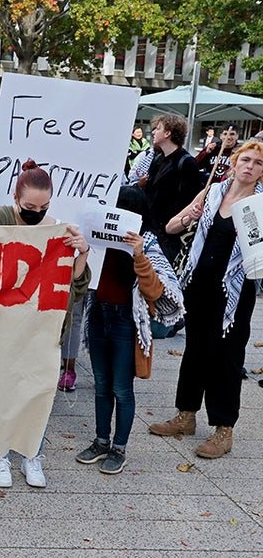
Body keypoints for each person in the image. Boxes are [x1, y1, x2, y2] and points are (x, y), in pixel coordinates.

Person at [0, 160, 91, 488]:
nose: (36, 212)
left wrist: (81, 254)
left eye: (44, 207)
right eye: (29, 207)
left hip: (42, 329)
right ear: (15, 198)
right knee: (2, 388)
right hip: (3, 324)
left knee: (37, 392)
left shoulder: (60, 232)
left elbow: (75, 288)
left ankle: (31, 454)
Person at [148, 141, 263, 459]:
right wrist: (191, 217)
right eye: (246, 159)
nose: (250, 166)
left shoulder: (260, 205)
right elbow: (170, 227)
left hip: (235, 294)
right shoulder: (213, 192)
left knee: (227, 358)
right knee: (195, 351)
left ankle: (224, 430)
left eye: (258, 163)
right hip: (199, 286)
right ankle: (186, 415)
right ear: (235, 162)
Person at [75, 186, 182, 475]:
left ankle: (118, 448)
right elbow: (80, 276)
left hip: (126, 321)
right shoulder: (97, 238)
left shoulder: (146, 244)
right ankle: (100, 441)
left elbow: (157, 291)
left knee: (121, 388)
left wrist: (138, 256)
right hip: (98, 314)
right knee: (101, 384)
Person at [142, 113, 203, 264]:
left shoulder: (187, 163)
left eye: (158, 128)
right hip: (150, 229)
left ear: (168, 133)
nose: (153, 132)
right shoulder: (158, 158)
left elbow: (191, 200)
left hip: (169, 235)